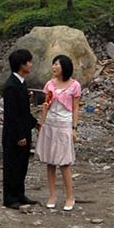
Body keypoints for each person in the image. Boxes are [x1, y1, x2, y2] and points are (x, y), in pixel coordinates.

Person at [35, 54, 81, 211]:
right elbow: (45, 104)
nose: (54, 67)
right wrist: (42, 122)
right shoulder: (49, 84)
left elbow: (75, 108)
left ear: (65, 67)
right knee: (50, 162)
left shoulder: (74, 86)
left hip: (64, 125)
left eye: (57, 64)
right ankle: (52, 195)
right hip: (50, 125)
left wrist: (74, 128)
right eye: (53, 64)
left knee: (64, 163)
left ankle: (70, 197)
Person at [2, 49, 39, 209]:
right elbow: (12, 115)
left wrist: (34, 123)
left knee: (22, 164)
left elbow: (24, 111)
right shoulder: (11, 86)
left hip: (24, 130)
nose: (31, 65)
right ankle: (10, 198)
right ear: (21, 65)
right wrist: (19, 136)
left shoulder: (21, 83)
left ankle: (20, 194)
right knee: (12, 166)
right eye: (29, 62)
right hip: (14, 135)